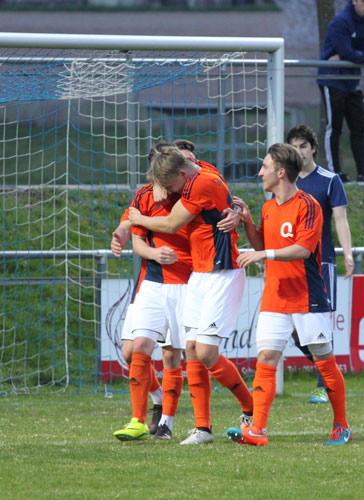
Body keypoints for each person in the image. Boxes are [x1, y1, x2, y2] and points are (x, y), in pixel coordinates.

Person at [227, 143, 352, 446]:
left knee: (323, 361)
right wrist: (247, 224)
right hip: (275, 296)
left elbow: (303, 249)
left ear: (281, 172)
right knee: (266, 358)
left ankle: (341, 426)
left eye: (265, 167)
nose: (260, 172)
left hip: (307, 296)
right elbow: (262, 247)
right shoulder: (269, 207)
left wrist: (263, 255)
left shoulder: (307, 205)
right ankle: (257, 430)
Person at [129, 145, 253, 445]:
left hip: (222, 272)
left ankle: (252, 410)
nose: (171, 192)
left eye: (171, 185)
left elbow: (172, 222)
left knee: (207, 353)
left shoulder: (202, 182)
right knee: (192, 351)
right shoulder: (200, 174)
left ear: (182, 173)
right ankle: (203, 429)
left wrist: (139, 218)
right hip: (199, 273)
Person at [111, 178, 191, 441]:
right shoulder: (145, 193)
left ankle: (169, 421)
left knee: (173, 355)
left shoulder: (193, 191)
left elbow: (161, 223)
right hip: (152, 281)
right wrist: (122, 231)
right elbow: (129, 222)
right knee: (132, 350)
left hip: (186, 284)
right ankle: (149, 407)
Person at [287, 124, 354, 404]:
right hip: (292, 263)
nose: (299, 152)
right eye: (294, 147)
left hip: (321, 261)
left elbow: (340, 219)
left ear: (313, 148)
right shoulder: (287, 181)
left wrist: (347, 253)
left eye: (303, 146)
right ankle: (326, 369)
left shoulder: (329, 180)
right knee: (292, 330)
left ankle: (322, 385)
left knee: (321, 325)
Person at [318, 0, 364, 186]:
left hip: (352, 82)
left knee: (359, 127)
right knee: (335, 127)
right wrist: (360, 55)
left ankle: (363, 173)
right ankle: (334, 173)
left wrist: (357, 56)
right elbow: (349, 51)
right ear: (355, 1)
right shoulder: (340, 21)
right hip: (332, 80)